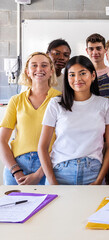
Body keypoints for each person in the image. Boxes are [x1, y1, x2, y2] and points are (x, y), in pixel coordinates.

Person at [38, 55, 109, 185]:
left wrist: (99, 180)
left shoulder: (105, 104)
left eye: (82, 73)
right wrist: (52, 182)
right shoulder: (56, 104)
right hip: (60, 172)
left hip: (93, 172)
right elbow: (42, 147)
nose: (77, 79)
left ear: (92, 75)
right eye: (72, 75)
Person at [0, 52, 60, 185]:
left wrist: (39, 174)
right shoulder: (16, 100)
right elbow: (2, 140)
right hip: (17, 165)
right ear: (27, 71)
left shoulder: (60, 99)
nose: (39, 69)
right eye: (34, 65)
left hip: (49, 167)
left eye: (44, 65)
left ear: (51, 71)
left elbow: (63, 141)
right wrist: (16, 171)